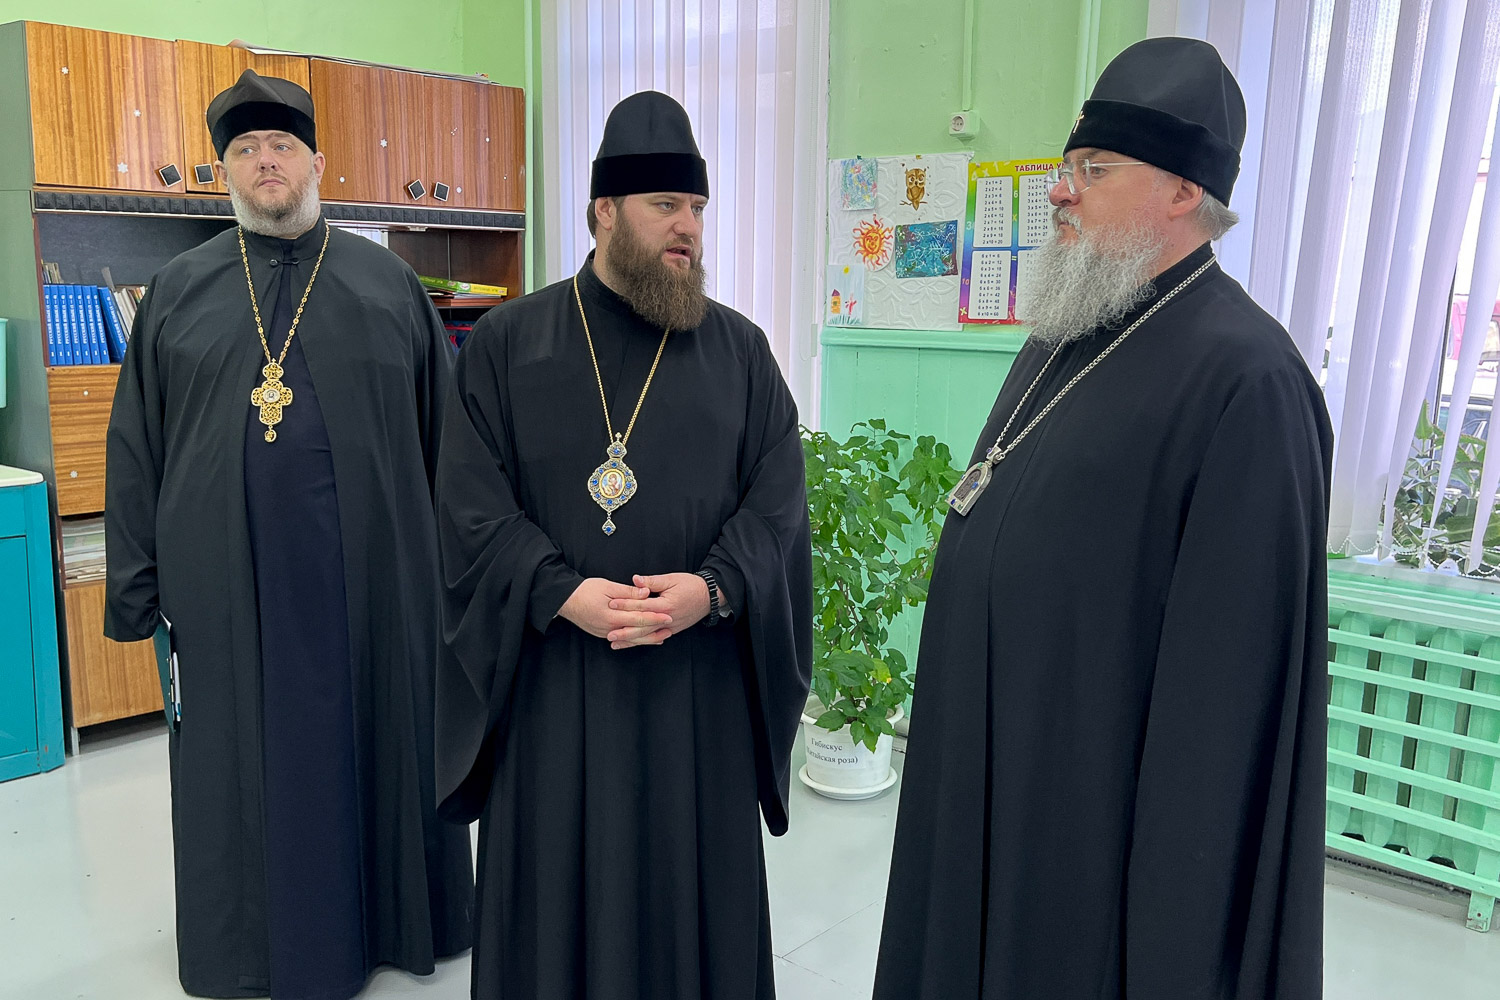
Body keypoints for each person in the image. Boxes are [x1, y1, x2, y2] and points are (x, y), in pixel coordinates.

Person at [873, 38, 1332, 1000]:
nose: (1058, 191)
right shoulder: (1068, 327)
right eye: (1066, 166)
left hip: (1089, 818)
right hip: (989, 765)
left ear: (1183, 191)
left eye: (1093, 169)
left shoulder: (1251, 380)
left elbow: (1228, 697)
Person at [432, 90, 812, 999]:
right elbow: (468, 503)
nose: (689, 229)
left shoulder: (741, 352)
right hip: (557, 683)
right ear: (604, 209)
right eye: (665, 205)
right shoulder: (506, 343)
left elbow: (777, 505)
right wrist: (558, 589)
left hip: (696, 690)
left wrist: (711, 589)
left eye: (697, 208)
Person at [104, 69, 473, 999]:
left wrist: (461, 582)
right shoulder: (176, 293)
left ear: (317, 161)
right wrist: (137, 588)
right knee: (237, 767)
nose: (265, 161)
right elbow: (136, 447)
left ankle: (391, 926)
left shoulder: (390, 287)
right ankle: (249, 950)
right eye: (244, 148)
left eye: (281, 145)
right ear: (224, 171)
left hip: (376, 584)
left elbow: (449, 445)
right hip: (224, 588)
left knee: (379, 743)